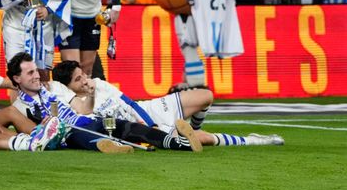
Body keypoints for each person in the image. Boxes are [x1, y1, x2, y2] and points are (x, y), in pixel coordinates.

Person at [54, 60, 284, 147]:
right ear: (68, 87)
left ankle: (191, 128)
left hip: (148, 111)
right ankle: (254, 140)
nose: (84, 80)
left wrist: (152, 123)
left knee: (206, 96)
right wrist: (151, 130)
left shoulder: (99, 84)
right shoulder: (77, 109)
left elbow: (131, 104)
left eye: (83, 75)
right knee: (203, 140)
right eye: (78, 79)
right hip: (139, 129)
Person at [6, 53, 200, 153]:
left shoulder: (55, 87)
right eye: (30, 73)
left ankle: (180, 144)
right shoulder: (20, 107)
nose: (36, 76)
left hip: (89, 120)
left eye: (35, 71)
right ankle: (110, 146)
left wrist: (90, 95)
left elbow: (82, 109)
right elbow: (34, 134)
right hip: (68, 133)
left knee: (131, 127)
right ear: (17, 78)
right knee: (80, 136)